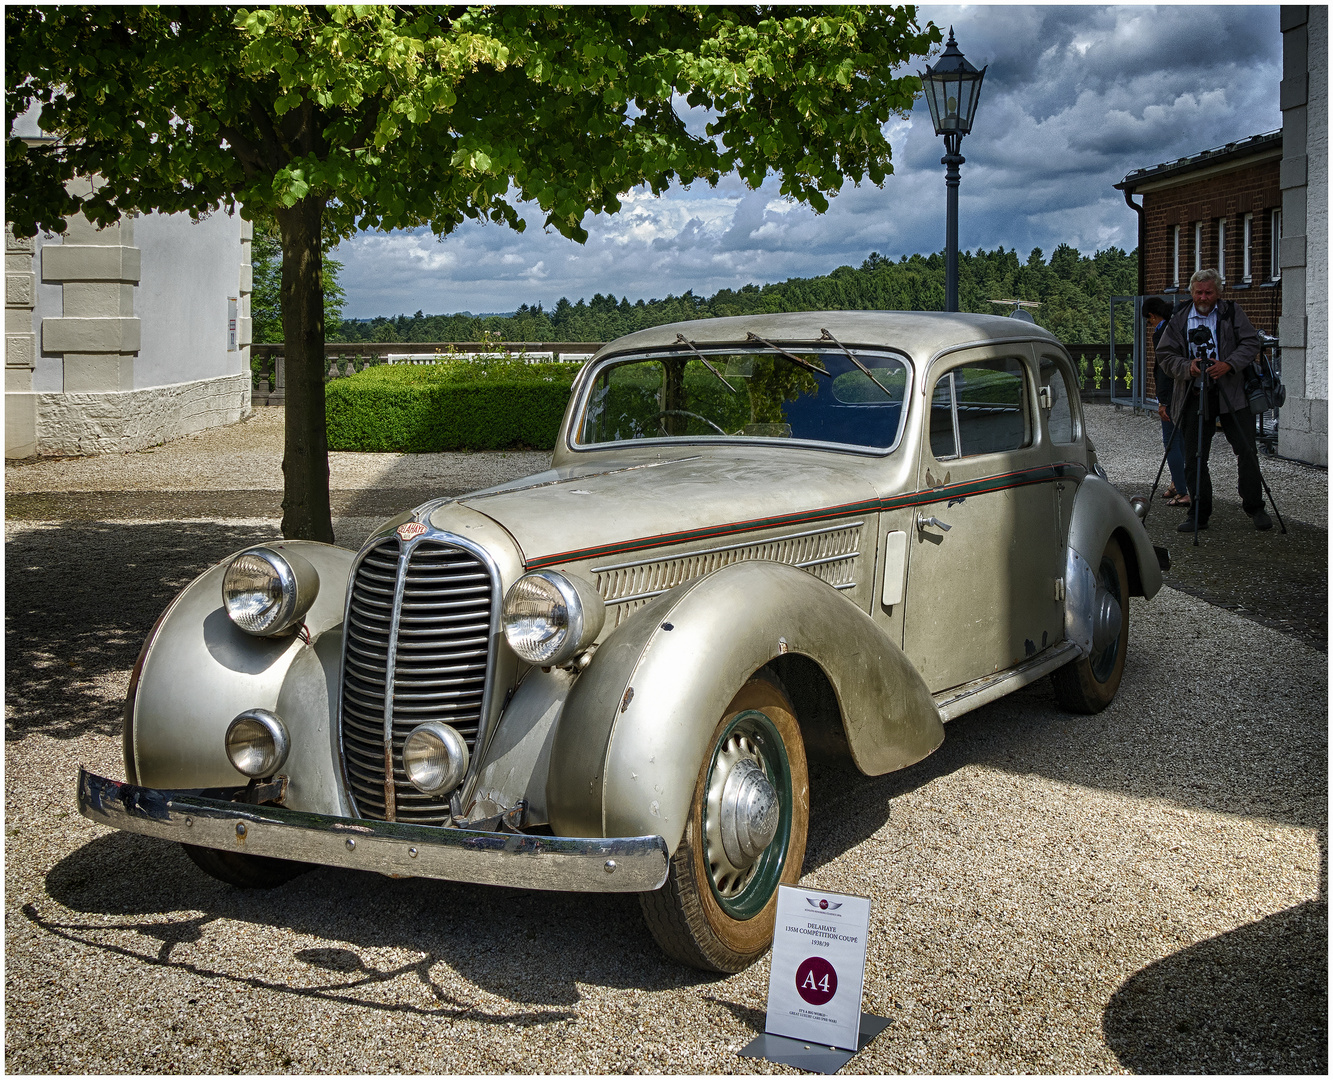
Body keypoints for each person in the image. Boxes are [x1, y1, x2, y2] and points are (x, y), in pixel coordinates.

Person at [1154, 268, 1271, 532]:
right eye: (1199, 292)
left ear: (1218, 292)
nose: (1204, 297)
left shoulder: (1231, 312)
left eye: (1208, 292)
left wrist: (1228, 364)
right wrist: (1189, 367)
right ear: (1191, 292)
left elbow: (1251, 343)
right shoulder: (1180, 317)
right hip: (1194, 393)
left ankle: (1255, 507)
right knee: (1195, 456)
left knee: (1247, 450)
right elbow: (1165, 355)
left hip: (1232, 393)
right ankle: (1199, 513)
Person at [1143, 296, 1189, 507]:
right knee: (1181, 440)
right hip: (1185, 389)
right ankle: (1176, 482)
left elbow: (1163, 369)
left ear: (1153, 316)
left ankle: (1182, 490)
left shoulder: (1162, 332)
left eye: (1149, 320)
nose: (1150, 325)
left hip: (1171, 395)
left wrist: (1162, 401)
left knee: (1171, 442)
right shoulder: (1179, 325)